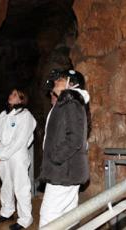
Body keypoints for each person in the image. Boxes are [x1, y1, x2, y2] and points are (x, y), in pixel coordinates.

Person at [39, 69, 90, 228]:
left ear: (71, 83)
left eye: (60, 79)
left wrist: (55, 158)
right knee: (67, 216)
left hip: (63, 171)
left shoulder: (72, 102)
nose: (56, 82)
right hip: (66, 170)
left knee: (49, 216)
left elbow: (74, 139)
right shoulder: (69, 101)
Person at [0, 89, 37, 230]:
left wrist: (1, 154)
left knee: (21, 186)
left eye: (15, 95)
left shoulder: (26, 116)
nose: (11, 95)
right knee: (6, 184)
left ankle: (25, 219)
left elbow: (19, 140)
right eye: (11, 93)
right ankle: (7, 211)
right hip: (3, 157)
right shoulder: (4, 115)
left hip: (17, 156)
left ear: (21, 100)